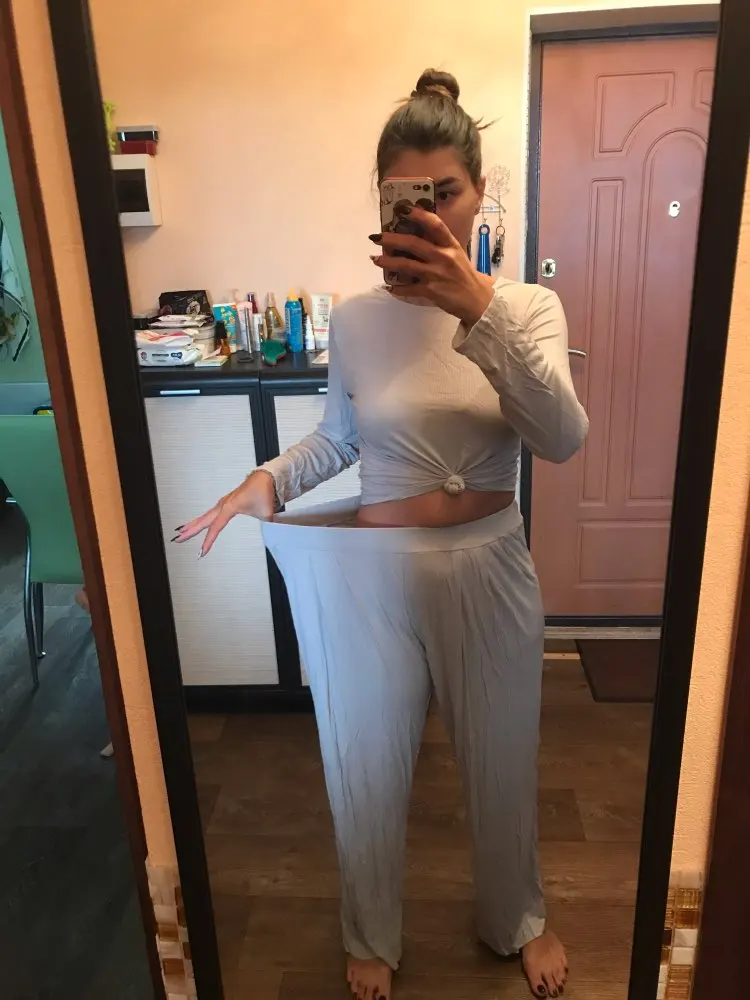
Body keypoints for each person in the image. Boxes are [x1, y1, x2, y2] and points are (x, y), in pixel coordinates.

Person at [176, 69, 588, 1000]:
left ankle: (517, 917)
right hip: (371, 576)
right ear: (381, 201)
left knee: (503, 761)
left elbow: (561, 438)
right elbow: (340, 439)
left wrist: (475, 308)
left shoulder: (527, 308)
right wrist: (265, 480)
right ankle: (370, 930)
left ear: (480, 193)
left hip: (490, 567)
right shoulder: (358, 320)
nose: (430, 211)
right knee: (361, 761)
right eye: (409, 194)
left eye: (448, 191)